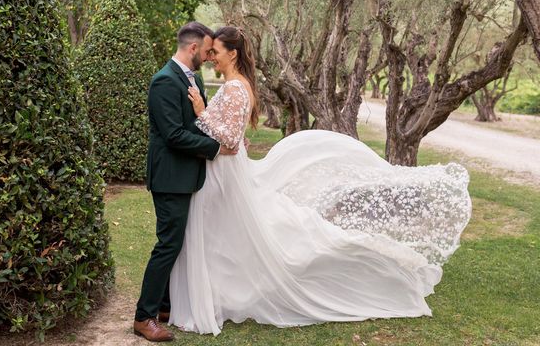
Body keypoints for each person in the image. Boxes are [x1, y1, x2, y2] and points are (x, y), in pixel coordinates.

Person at [169, 26, 472, 336]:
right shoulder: (237, 85)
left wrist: (201, 112)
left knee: (231, 234)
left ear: (231, 54)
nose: (210, 58)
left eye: (215, 53)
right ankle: (220, 293)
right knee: (227, 235)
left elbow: (230, 141)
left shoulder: (234, 88)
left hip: (225, 173)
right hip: (224, 172)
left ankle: (223, 294)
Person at [133, 22, 238, 342]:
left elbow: (196, 125)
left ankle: (165, 306)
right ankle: (143, 316)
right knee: (168, 244)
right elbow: (174, 135)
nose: (209, 57)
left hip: (185, 175)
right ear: (193, 48)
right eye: (207, 50)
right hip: (169, 176)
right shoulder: (164, 81)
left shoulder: (188, 78)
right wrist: (217, 149)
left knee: (176, 242)